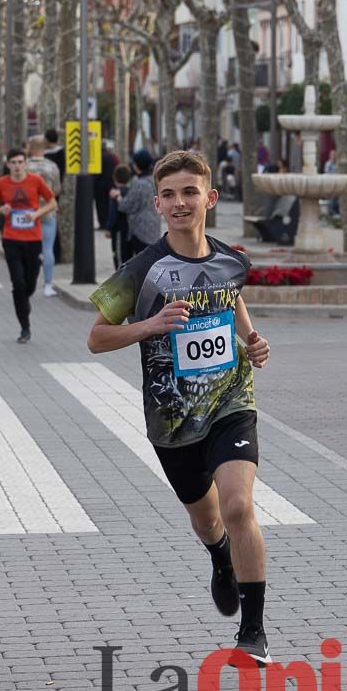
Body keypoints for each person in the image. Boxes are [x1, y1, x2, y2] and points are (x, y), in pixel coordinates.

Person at [87, 150, 273, 663]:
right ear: (158, 203)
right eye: (168, 194)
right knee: (209, 519)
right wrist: (150, 325)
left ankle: (253, 633)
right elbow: (96, 339)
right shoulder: (143, 270)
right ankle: (219, 558)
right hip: (173, 419)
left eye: (190, 192)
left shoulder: (232, 259)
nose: (179, 202)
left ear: (209, 198)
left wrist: (252, 340)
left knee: (239, 505)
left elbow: (231, 296)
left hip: (232, 400)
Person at [0, 148, 57, 343]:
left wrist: (36, 214)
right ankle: (24, 327)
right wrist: (1, 209)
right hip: (11, 238)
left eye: (20, 162)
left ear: (25, 163)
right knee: (18, 284)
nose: (17, 166)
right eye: (14, 162)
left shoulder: (35, 180)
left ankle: (25, 299)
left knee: (29, 284)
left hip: (33, 239)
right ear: (8, 164)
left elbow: (52, 203)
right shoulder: (2, 183)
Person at [25, 136, 63, 298]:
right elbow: (57, 189)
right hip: (47, 210)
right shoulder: (51, 166)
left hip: (27, 213)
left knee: (27, 249)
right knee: (48, 248)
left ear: (30, 147)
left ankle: (28, 281)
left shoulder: (24, 166)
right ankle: (48, 284)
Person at [121, 150, 163, 258]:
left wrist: (118, 198)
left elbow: (126, 206)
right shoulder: (155, 181)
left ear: (137, 165)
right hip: (155, 227)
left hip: (140, 230)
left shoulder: (139, 184)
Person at [108, 164, 133, 267]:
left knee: (118, 254)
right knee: (128, 255)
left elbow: (113, 213)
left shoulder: (116, 193)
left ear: (114, 178)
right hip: (130, 229)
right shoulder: (130, 191)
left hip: (118, 229)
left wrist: (109, 228)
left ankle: (120, 276)